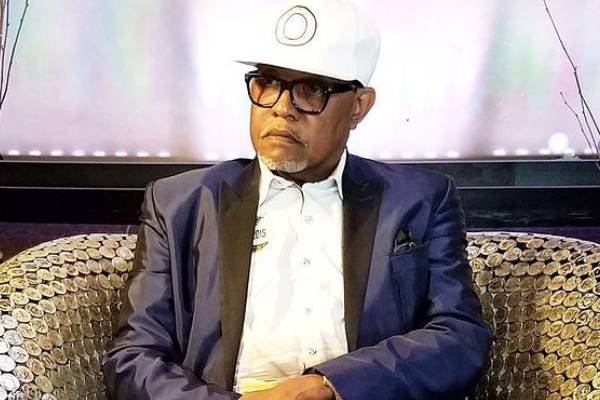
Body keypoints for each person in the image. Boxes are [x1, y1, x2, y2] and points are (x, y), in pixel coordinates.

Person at [102, 0, 492, 399]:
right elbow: (133, 357)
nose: (281, 108)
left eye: (312, 89)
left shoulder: (419, 200)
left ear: (359, 107)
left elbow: (460, 336)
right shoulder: (179, 204)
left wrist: (330, 385)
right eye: (268, 83)